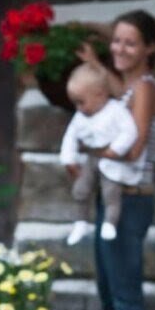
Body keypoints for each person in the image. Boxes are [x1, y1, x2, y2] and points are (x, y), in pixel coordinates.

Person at [77, 10, 155, 310]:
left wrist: (91, 152)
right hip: (114, 200)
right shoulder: (128, 89)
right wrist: (96, 66)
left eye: (130, 42)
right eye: (117, 40)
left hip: (131, 201)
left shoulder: (145, 88)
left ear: (150, 48)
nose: (121, 48)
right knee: (111, 295)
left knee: (125, 297)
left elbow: (134, 146)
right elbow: (117, 91)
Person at [59, 63, 139, 246]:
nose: (79, 108)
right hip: (91, 159)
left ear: (100, 94)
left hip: (112, 160)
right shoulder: (80, 117)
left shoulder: (116, 111)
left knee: (111, 193)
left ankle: (110, 223)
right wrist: (68, 159)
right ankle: (80, 222)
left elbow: (130, 131)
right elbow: (70, 137)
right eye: (75, 103)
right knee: (80, 189)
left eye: (81, 101)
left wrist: (115, 149)